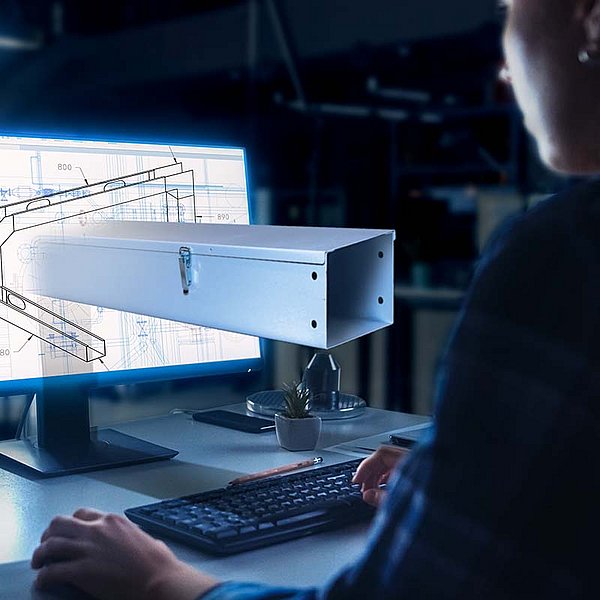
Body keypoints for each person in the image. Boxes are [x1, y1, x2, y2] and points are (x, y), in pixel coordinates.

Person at [30, 1, 600, 597]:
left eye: (509, 7)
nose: (504, 72)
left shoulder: (567, 254)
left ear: (590, 17)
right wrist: (463, 480)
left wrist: (159, 579)